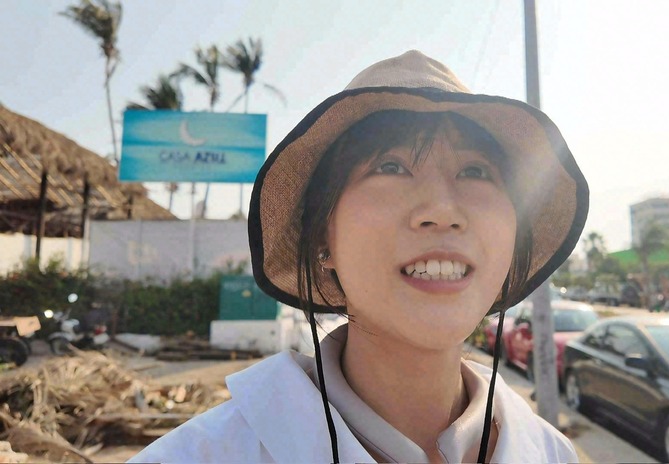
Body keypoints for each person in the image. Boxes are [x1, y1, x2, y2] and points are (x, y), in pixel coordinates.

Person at [128, 50, 588, 463]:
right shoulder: (200, 455)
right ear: (321, 237)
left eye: (476, 171)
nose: (443, 211)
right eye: (390, 166)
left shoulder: (550, 452)